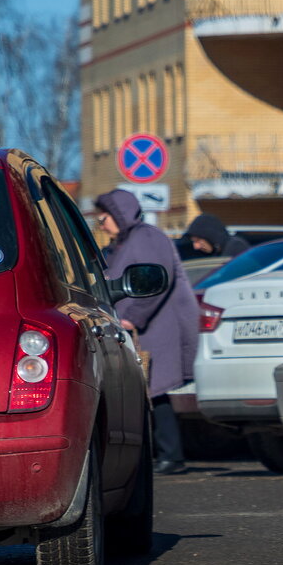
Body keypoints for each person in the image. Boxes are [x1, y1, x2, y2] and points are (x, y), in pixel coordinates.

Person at [96, 189, 200, 476]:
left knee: (155, 390)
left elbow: (154, 280)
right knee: (148, 390)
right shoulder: (127, 241)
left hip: (156, 326)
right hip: (142, 326)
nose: (101, 224)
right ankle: (160, 456)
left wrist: (131, 318)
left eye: (104, 217)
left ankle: (171, 456)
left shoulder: (146, 237)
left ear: (119, 214)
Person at [183, 213, 250, 258]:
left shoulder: (236, 247)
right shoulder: (214, 252)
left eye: (198, 241)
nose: (196, 247)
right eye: (194, 242)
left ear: (211, 236)